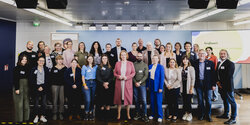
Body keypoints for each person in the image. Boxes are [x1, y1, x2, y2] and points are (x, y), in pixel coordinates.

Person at [216, 49, 237, 124]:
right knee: (225, 100)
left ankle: (233, 118)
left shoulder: (230, 63)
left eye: (224, 54)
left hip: (227, 87)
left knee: (232, 102)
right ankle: (226, 114)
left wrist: (221, 84)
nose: (222, 55)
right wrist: (217, 82)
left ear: (227, 54)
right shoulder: (219, 63)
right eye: (221, 54)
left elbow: (228, 76)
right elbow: (217, 73)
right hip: (221, 86)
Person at [194, 49, 216, 122]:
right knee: (200, 101)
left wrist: (213, 85)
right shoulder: (195, 63)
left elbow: (213, 75)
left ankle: (208, 114)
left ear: (205, 54)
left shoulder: (210, 63)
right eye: (200, 53)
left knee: (208, 100)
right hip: (198, 84)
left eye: (203, 53)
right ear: (198, 54)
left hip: (208, 84)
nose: (201, 55)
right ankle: (201, 114)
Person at [113, 50, 135, 121]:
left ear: (126, 56)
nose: (123, 56)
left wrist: (127, 77)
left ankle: (128, 114)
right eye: (122, 55)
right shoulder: (117, 63)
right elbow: (115, 73)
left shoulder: (130, 63)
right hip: (119, 83)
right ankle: (118, 114)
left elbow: (133, 73)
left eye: (124, 55)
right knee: (118, 99)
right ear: (120, 56)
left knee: (128, 99)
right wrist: (118, 76)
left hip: (127, 83)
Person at [30, 56, 49, 123]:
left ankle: (42, 116)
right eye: (40, 60)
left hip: (44, 87)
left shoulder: (46, 69)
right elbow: (31, 79)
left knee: (43, 103)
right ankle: (36, 116)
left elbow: (48, 79)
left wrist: (42, 87)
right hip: (36, 88)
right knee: (36, 103)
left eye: (43, 61)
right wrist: (37, 87)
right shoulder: (34, 69)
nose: (41, 62)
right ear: (37, 61)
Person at [96, 55, 114, 121]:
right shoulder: (99, 67)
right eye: (103, 58)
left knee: (108, 102)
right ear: (101, 59)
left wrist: (107, 83)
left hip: (108, 87)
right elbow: (98, 77)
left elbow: (112, 77)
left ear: (107, 59)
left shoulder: (110, 67)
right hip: (101, 87)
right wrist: (103, 83)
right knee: (101, 102)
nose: (104, 59)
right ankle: (101, 117)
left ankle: (107, 116)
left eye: (105, 58)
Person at [13, 55, 30, 123]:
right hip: (19, 86)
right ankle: (19, 119)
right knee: (19, 104)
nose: (25, 60)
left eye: (25, 59)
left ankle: (26, 118)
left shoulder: (28, 67)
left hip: (26, 86)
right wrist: (17, 88)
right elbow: (15, 79)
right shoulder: (16, 68)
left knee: (26, 103)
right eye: (23, 59)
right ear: (20, 60)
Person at [147, 55, 165, 123]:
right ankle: (152, 114)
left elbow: (162, 78)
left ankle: (160, 116)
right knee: (152, 101)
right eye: (153, 59)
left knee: (158, 102)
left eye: (156, 59)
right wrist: (148, 85)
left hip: (158, 86)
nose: (154, 60)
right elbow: (148, 77)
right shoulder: (150, 66)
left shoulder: (160, 67)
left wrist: (161, 87)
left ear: (158, 60)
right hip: (151, 85)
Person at [133, 53, 149, 122]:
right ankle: (138, 114)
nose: (139, 57)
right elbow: (132, 74)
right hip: (135, 85)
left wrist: (139, 82)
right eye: (138, 56)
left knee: (143, 100)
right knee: (136, 100)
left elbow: (146, 75)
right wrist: (135, 82)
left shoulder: (145, 65)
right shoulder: (133, 64)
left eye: (140, 56)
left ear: (142, 57)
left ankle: (144, 115)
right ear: (136, 57)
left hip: (142, 85)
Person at [50, 55, 67, 120]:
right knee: (54, 99)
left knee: (62, 100)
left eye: (61, 59)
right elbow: (51, 78)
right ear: (56, 60)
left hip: (62, 86)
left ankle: (60, 113)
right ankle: (54, 113)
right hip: (54, 86)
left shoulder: (65, 68)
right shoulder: (53, 68)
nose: (60, 61)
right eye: (58, 59)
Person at [81, 55, 98, 121]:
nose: (90, 60)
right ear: (87, 60)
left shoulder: (96, 67)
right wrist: (84, 84)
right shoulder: (84, 67)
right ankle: (86, 112)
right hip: (87, 83)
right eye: (89, 59)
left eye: (91, 59)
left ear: (93, 59)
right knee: (88, 99)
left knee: (92, 99)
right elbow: (83, 76)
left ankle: (91, 113)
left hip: (94, 83)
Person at [180, 55, 195, 122]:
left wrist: (191, 88)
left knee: (188, 102)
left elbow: (193, 79)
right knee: (184, 101)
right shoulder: (180, 68)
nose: (185, 60)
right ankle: (186, 113)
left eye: (186, 59)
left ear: (188, 60)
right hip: (182, 87)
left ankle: (190, 114)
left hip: (189, 87)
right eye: (183, 59)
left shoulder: (191, 68)